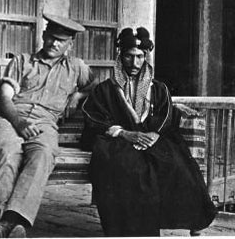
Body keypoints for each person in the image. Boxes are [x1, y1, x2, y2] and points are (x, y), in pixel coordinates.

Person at [81, 27, 217, 237]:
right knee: (127, 169)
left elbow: (166, 115)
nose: (134, 63)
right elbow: (94, 117)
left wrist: (154, 135)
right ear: (120, 56)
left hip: (153, 138)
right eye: (129, 56)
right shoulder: (105, 89)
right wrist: (125, 133)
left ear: (145, 57)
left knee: (176, 164)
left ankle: (189, 219)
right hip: (118, 140)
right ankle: (129, 231)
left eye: (140, 57)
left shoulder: (158, 88)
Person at [0, 13, 96, 238]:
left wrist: (78, 94)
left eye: (61, 41)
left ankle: (8, 223)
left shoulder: (77, 67)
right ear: (44, 36)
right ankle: (13, 225)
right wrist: (19, 123)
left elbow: (95, 86)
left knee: (44, 152)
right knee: (7, 151)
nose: (54, 43)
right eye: (51, 37)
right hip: (10, 117)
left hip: (45, 122)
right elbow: (4, 99)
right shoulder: (22, 61)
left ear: (70, 45)